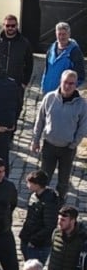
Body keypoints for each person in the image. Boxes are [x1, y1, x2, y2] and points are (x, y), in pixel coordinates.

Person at [31, 70, 86, 198]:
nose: (67, 86)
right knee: (44, 178)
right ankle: (40, 203)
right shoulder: (49, 98)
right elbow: (40, 120)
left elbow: (83, 127)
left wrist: (73, 144)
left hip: (67, 149)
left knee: (63, 182)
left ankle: (59, 206)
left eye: (71, 83)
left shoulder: (82, 105)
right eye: (65, 82)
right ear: (60, 82)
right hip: (49, 146)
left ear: (76, 84)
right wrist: (35, 140)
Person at [41, 22, 85, 94]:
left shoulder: (74, 52)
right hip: (48, 92)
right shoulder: (51, 48)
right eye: (59, 34)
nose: (61, 37)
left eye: (64, 34)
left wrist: (67, 90)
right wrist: (43, 86)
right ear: (56, 34)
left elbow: (80, 76)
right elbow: (46, 70)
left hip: (63, 95)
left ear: (69, 34)